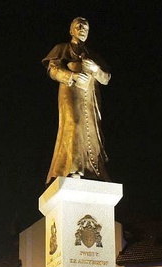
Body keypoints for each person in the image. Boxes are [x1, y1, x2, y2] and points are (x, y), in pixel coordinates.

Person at [42, 17, 111, 185]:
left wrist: (96, 69)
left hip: (90, 97)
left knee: (92, 132)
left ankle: (95, 171)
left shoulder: (93, 55)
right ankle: (73, 168)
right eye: (78, 26)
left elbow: (106, 78)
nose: (82, 29)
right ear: (71, 30)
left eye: (85, 28)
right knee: (73, 124)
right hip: (70, 92)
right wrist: (71, 76)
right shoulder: (62, 48)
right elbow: (53, 70)